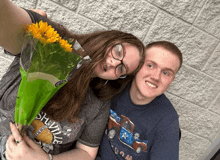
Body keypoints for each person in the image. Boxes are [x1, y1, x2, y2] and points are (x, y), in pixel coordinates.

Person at [0, 1, 145, 160]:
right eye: (118, 51)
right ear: (108, 39)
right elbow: (5, 17)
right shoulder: (53, 43)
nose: (114, 63)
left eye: (122, 69)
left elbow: (87, 153)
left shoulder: (98, 103)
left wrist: (45, 159)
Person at [97, 41, 182, 160]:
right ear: (138, 64)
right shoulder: (115, 83)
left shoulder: (168, 121)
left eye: (165, 73)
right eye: (150, 65)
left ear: (171, 80)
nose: (155, 77)